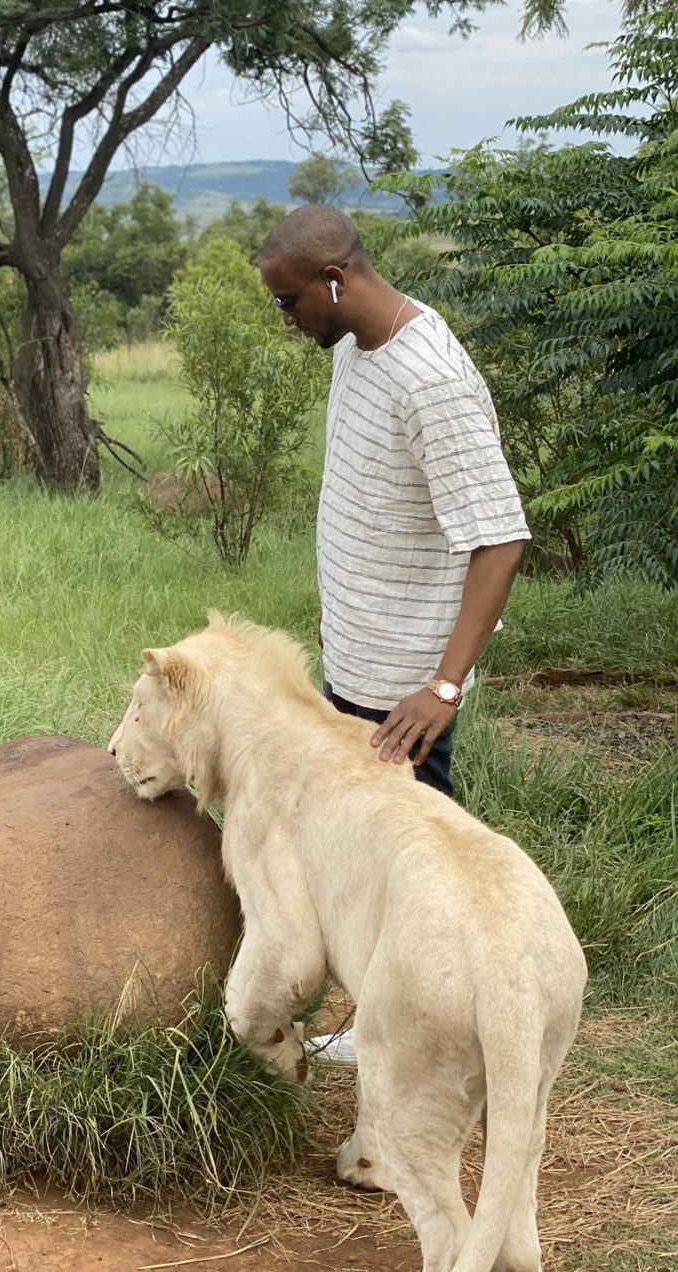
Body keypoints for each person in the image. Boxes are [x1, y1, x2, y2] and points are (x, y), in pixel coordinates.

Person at [260, 206, 530, 1064]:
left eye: (287, 301)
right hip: (355, 663)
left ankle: (431, 1055)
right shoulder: (352, 348)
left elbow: (500, 537)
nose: (286, 319)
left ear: (335, 282)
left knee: (415, 882)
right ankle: (385, 1026)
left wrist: (443, 687)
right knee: (363, 868)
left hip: (407, 696)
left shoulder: (432, 381)